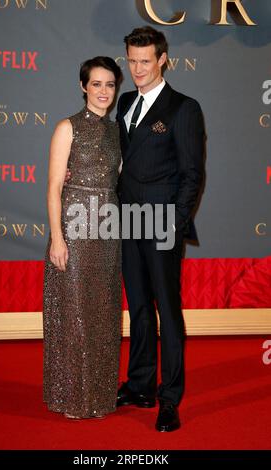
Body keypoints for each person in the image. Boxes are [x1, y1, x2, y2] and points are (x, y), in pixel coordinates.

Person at [116, 26, 205, 432]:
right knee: (137, 307)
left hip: (161, 223)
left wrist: (175, 222)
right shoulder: (125, 101)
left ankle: (169, 398)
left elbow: (192, 174)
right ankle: (140, 385)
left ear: (163, 59)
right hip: (126, 221)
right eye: (132, 61)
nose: (137, 69)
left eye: (145, 61)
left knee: (167, 311)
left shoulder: (184, 108)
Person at [43, 56, 123, 419]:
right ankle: (72, 397)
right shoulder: (67, 127)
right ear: (83, 86)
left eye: (109, 84)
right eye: (96, 84)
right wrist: (57, 239)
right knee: (73, 313)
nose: (103, 91)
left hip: (108, 231)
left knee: (103, 314)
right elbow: (54, 187)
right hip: (74, 231)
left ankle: (101, 397)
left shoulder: (118, 131)